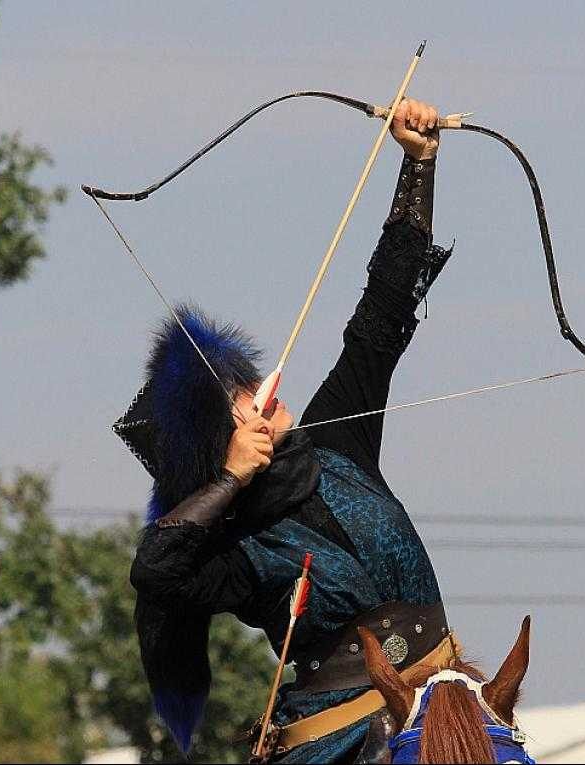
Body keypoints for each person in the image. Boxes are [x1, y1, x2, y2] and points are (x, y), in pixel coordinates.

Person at [119, 99, 456, 762]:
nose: (260, 393)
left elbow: (382, 314)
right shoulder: (238, 552)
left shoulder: (337, 440)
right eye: (236, 401)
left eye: (247, 381)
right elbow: (154, 571)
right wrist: (232, 479)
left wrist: (417, 164)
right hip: (337, 740)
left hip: (445, 705)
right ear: (225, 437)